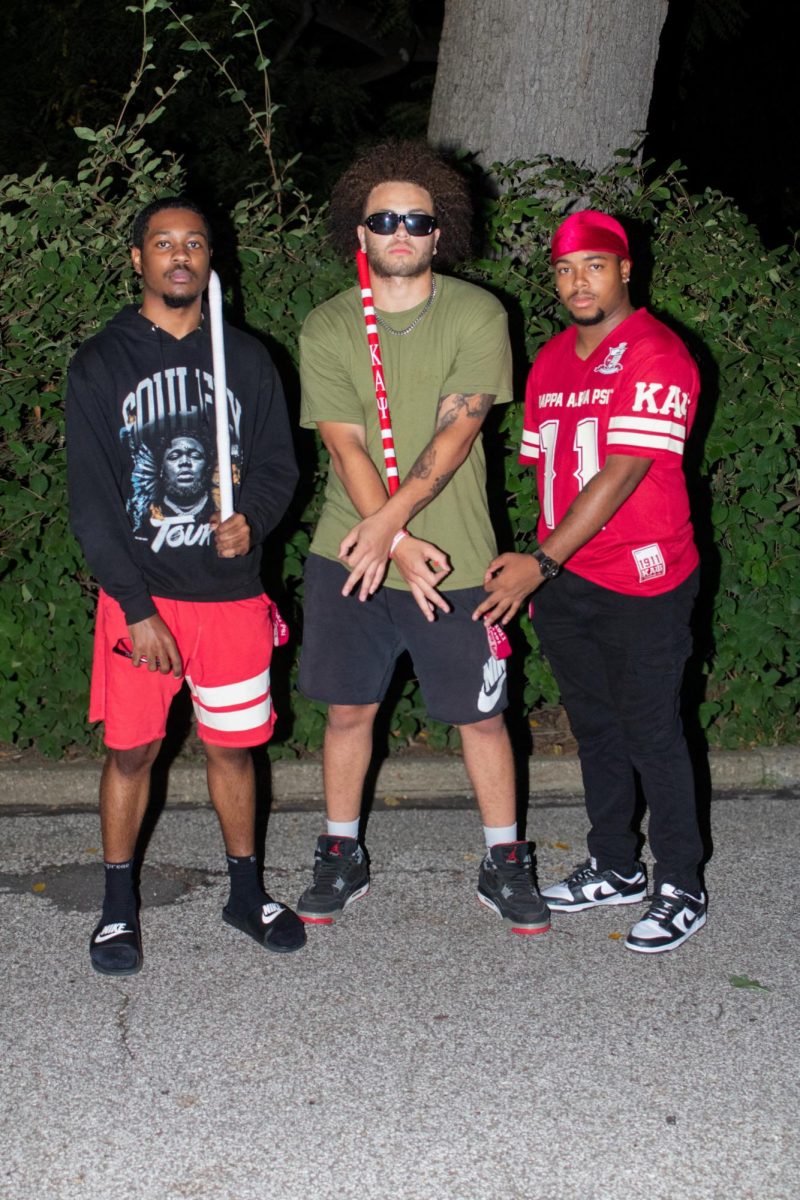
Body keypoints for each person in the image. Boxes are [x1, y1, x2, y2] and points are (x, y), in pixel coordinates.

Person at [295, 140, 550, 937]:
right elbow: (345, 446)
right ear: (358, 234)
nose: (400, 231)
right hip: (351, 554)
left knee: (479, 717)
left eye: (417, 220)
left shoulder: (478, 314)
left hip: (464, 555)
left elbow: (456, 436)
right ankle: (341, 851)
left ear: (441, 234)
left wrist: (399, 532)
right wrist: (395, 544)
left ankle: (504, 858)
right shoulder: (328, 324)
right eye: (384, 220)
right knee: (347, 713)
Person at [66, 195, 305, 976]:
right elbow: (93, 503)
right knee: (133, 753)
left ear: (210, 261)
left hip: (232, 598)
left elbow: (278, 467)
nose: (179, 256)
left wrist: (256, 520)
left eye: (194, 243)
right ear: (138, 259)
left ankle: (245, 891)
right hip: (144, 599)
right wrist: (135, 610)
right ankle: (115, 910)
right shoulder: (102, 363)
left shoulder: (246, 357)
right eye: (163, 243)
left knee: (234, 751)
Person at [474, 210, 706, 954]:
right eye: (567, 271)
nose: (579, 283)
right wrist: (545, 569)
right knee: (595, 727)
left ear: (626, 269)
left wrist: (538, 562)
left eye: (595, 268)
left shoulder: (658, 353)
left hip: (642, 578)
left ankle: (681, 883)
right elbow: (547, 475)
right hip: (566, 582)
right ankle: (614, 864)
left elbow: (623, 471)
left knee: (651, 729)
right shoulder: (548, 362)